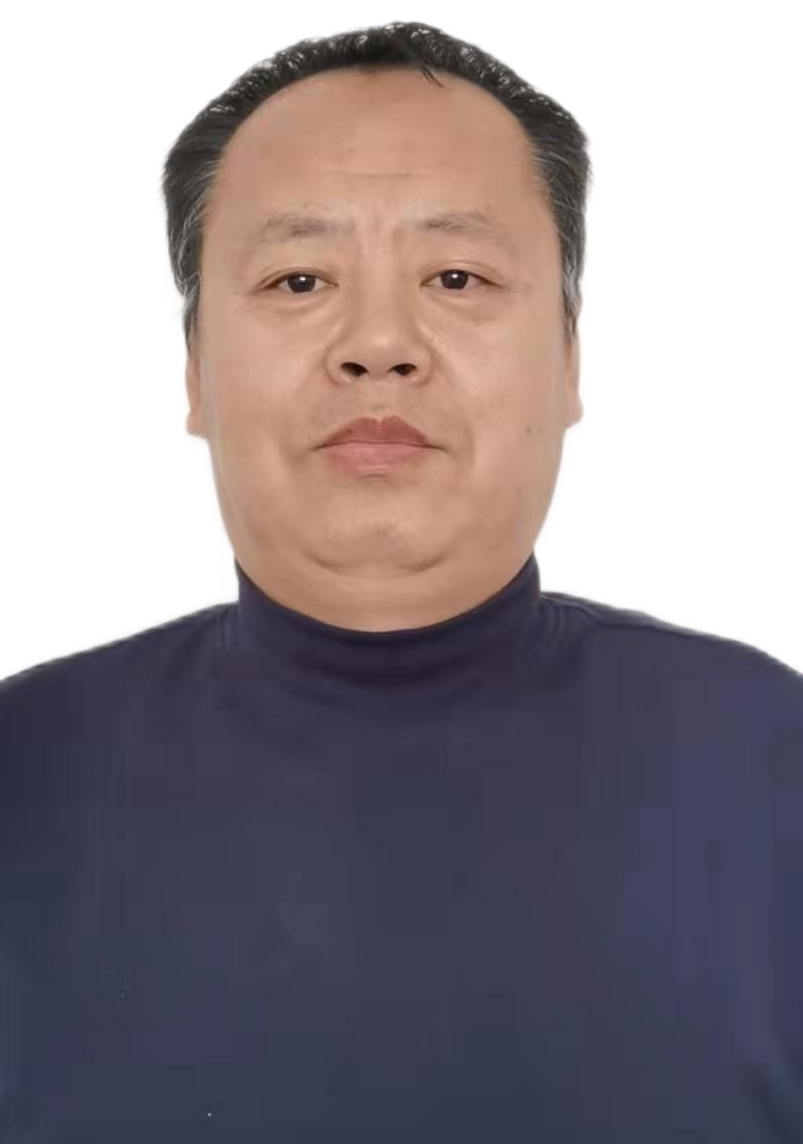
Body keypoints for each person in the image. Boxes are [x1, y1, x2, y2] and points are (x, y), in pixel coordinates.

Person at [1, 20, 800, 1142]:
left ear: (569, 359)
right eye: (298, 277)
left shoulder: (768, 763)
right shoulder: (25, 772)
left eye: (456, 275)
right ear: (194, 372)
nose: (378, 342)